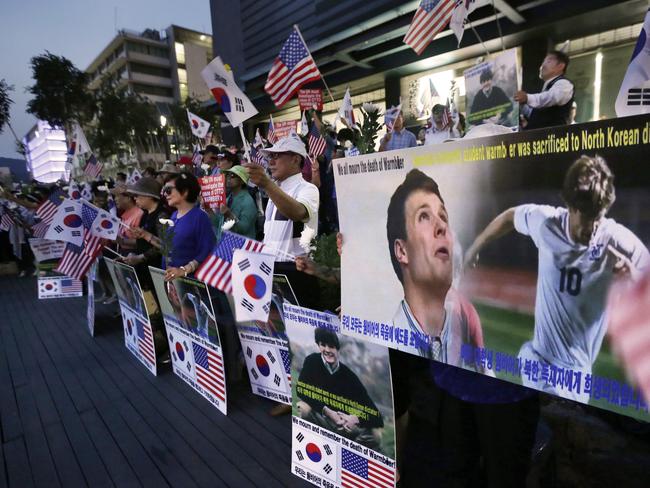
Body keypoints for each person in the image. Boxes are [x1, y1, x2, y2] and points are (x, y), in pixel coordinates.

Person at [464, 155, 650, 402]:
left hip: (577, 376)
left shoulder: (616, 241)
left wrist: (634, 276)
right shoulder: (547, 223)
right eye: (587, 218)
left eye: (599, 218)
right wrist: (475, 247)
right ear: (571, 207)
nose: (593, 228)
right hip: (540, 360)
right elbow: (510, 216)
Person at [386, 169, 484, 362]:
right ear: (402, 251)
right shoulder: (382, 344)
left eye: (443, 216)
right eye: (424, 216)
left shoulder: (468, 330)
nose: (442, 226)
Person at [245, 133, 320, 304]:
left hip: (298, 271)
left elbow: (298, 212)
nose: (271, 161)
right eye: (270, 156)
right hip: (272, 269)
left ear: (295, 159)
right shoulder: (274, 191)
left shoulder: (307, 189)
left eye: (277, 156)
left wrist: (267, 184)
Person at [296, 327, 384, 451]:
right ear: (318, 346)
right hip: (323, 418)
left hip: (344, 426)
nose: (327, 350)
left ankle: (351, 453)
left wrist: (356, 419)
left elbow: (377, 416)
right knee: (303, 408)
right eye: (323, 345)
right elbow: (301, 389)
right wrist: (327, 411)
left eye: (331, 346)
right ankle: (312, 446)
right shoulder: (312, 361)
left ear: (338, 349)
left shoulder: (349, 376)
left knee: (375, 435)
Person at [162, 173, 216, 281]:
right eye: (164, 190)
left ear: (185, 192)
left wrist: (184, 270)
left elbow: (208, 250)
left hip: (191, 284)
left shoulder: (200, 217)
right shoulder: (173, 216)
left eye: (168, 190)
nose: (165, 194)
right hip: (172, 281)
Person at [122, 177, 169, 287]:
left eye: (137, 196)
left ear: (149, 196)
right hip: (145, 269)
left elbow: (164, 246)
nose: (135, 199)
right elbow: (142, 242)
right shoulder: (145, 214)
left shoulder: (162, 215)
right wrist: (122, 241)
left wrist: (139, 258)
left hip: (157, 269)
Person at [514, 50, 574, 130]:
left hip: (554, 138)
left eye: (549, 61)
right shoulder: (547, 88)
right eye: (543, 61)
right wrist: (521, 105)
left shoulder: (564, 84)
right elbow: (537, 115)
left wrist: (527, 98)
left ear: (560, 66)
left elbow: (551, 97)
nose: (543, 65)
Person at [219, 166, 257, 239]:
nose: (228, 178)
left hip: (242, 247)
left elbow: (243, 229)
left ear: (242, 181)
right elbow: (220, 224)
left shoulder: (248, 201)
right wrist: (209, 211)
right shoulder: (228, 198)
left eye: (232, 176)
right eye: (228, 175)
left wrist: (229, 215)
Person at [112, 184, 144, 256]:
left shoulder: (139, 214)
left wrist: (121, 241)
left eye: (117, 196)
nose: (115, 199)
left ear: (128, 198)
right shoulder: (125, 214)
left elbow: (142, 242)